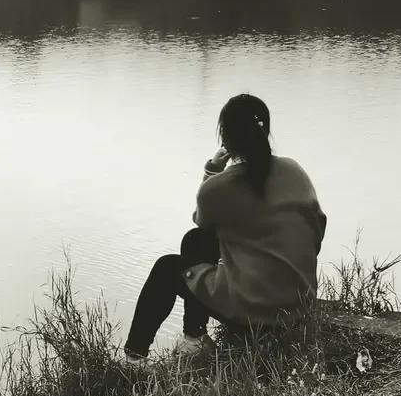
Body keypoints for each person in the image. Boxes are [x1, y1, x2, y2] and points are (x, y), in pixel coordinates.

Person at [123, 93, 327, 361]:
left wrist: (212, 171)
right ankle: (194, 338)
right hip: (299, 304)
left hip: (257, 313)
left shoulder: (219, 186)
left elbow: (204, 219)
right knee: (196, 240)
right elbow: (317, 230)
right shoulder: (294, 170)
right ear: (265, 131)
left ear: (225, 138)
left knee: (166, 268)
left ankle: (135, 358)